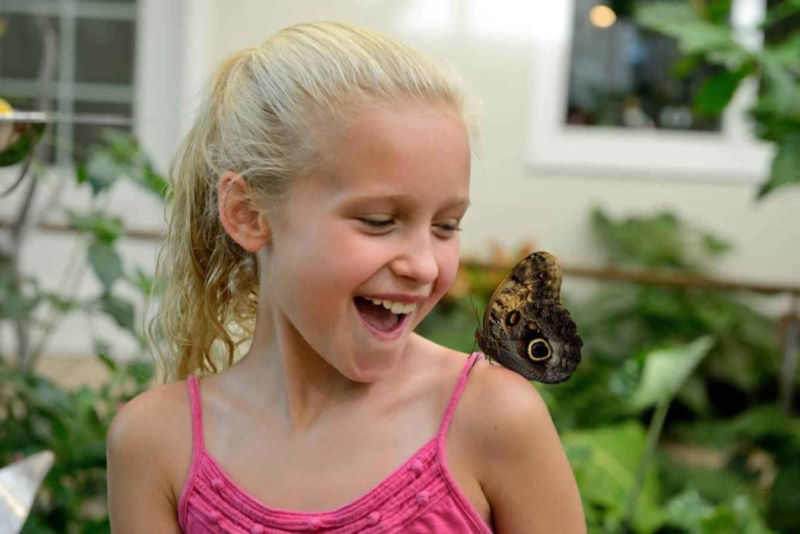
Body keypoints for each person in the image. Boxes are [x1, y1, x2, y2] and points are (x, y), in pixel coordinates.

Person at [106, 21, 585, 533]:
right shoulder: (157, 443)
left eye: (446, 226)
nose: (424, 265)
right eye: (379, 221)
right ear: (248, 214)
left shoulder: (494, 420)